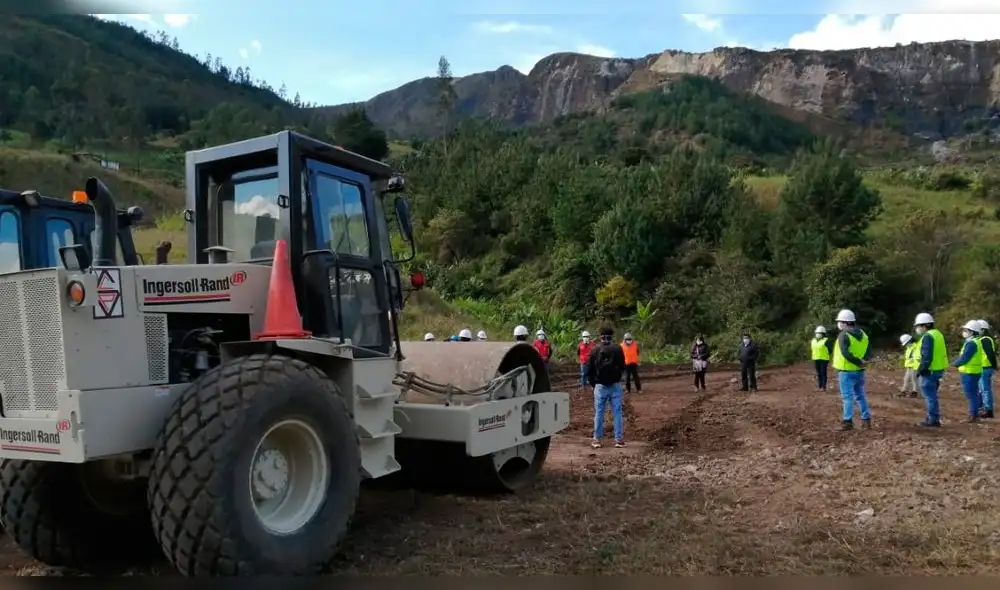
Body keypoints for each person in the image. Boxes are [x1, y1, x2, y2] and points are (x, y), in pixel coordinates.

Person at [587, 326, 627, 449]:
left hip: (600, 386)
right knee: (617, 413)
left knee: (599, 413)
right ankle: (618, 440)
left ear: (600, 336)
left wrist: (594, 385)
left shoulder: (594, 350)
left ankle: (597, 439)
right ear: (611, 336)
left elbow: (590, 371)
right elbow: (622, 366)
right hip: (615, 385)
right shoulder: (617, 349)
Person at [832, 309, 872, 431]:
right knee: (860, 395)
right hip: (859, 371)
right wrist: (863, 361)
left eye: (840, 321)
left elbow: (845, 353)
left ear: (845, 322)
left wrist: (858, 361)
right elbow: (869, 352)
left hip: (846, 371)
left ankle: (847, 421)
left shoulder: (844, 335)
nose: (839, 324)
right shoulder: (864, 335)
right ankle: (866, 420)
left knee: (847, 397)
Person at [913, 312, 948, 428]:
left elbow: (926, 356)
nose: (917, 329)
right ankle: (932, 418)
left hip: (929, 370)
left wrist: (920, 370)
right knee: (932, 395)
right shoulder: (938, 334)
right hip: (937, 369)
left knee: (930, 396)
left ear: (924, 326)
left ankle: (933, 419)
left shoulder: (928, 336)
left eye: (918, 326)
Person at [954, 320, 984, 423]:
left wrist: (955, 364)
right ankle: (975, 414)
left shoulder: (972, 343)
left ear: (972, 332)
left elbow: (965, 357)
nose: (964, 332)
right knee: (974, 393)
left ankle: (973, 415)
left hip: (970, 372)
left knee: (971, 394)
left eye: (966, 330)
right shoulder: (975, 342)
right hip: (974, 371)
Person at [976, 319, 996, 419]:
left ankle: (988, 410)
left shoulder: (985, 339)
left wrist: (994, 365)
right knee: (982, 389)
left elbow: (990, 354)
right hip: (983, 367)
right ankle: (984, 408)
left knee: (984, 389)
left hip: (985, 367)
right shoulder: (984, 339)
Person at [811, 326, 834, 391]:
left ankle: (824, 387)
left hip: (824, 359)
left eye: (820, 333)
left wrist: (826, 354)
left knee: (823, 373)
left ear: (823, 334)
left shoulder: (826, 341)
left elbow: (830, 350)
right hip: (816, 359)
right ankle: (820, 386)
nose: (818, 334)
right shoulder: (813, 341)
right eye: (817, 333)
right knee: (818, 373)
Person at [898, 334, 919, 398]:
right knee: (906, 379)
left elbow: (915, 357)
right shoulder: (909, 348)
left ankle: (914, 392)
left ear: (909, 341)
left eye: (906, 343)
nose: (906, 344)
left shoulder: (916, 347)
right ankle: (903, 391)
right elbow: (908, 357)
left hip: (914, 366)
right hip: (909, 366)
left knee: (913, 379)